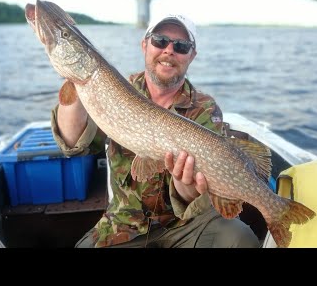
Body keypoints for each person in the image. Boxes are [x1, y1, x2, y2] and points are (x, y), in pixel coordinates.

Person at [50, 13, 261, 248]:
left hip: (187, 224)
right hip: (123, 224)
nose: (169, 50)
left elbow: (192, 197)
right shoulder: (115, 90)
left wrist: (185, 186)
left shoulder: (204, 108)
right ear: (145, 45)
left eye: (181, 46)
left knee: (240, 239)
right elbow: (74, 145)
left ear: (192, 55)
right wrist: (73, 81)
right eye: (160, 41)